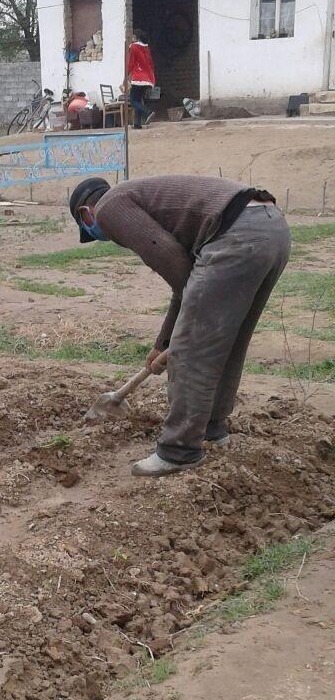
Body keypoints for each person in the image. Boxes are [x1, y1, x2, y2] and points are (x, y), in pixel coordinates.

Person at [69, 174, 290, 477]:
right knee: (228, 340)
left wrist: (178, 340)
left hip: (237, 235)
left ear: (86, 214)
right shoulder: (142, 197)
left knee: (191, 350)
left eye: (91, 232)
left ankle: (179, 450)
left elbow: (178, 268)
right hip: (270, 227)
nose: (99, 234)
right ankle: (213, 429)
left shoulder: (109, 208)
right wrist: (161, 344)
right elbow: (188, 280)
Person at [127, 30, 156, 129]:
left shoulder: (134, 47)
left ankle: (148, 112)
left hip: (138, 78)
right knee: (138, 100)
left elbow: (131, 63)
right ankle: (137, 124)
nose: (131, 39)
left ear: (135, 37)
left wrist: (126, 75)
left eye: (132, 37)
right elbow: (151, 64)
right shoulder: (146, 48)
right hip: (148, 79)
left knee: (133, 100)